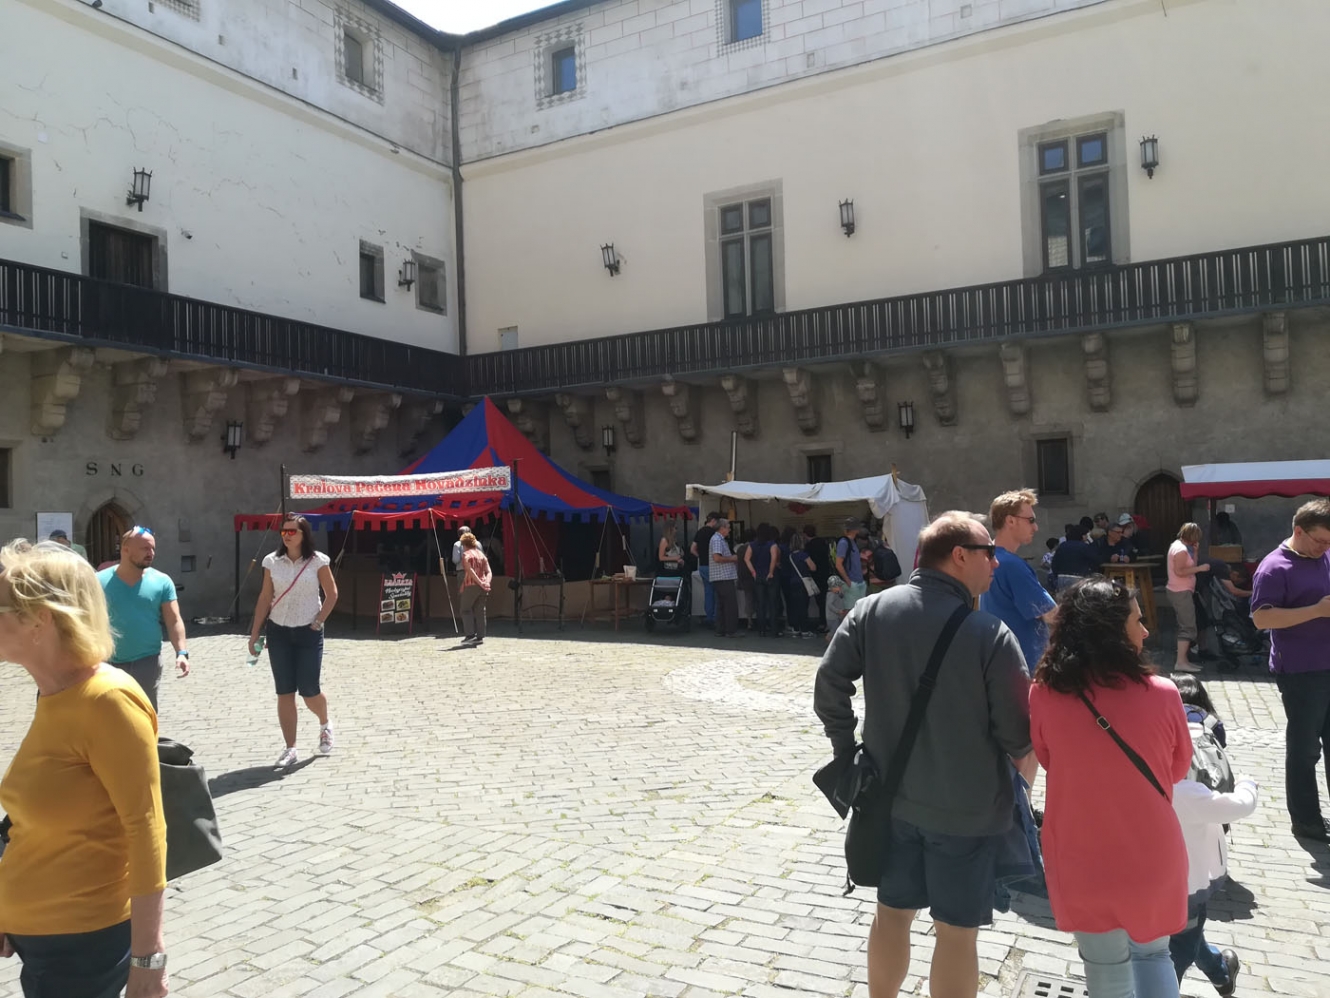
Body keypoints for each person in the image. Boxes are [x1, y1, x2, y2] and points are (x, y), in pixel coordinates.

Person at [815, 512, 1035, 998]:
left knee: (891, 916)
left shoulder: (870, 611)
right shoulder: (990, 634)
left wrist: (847, 753)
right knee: (956, 933)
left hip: (889, 802)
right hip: (966, 814)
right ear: (959, 556)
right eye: (988, 552)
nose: (996, 562)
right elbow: (1018, 736)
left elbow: (829, 684)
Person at [0, 540, 169, 998]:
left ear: (40, 620)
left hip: (81, 946)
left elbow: (147, 831)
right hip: (41, 938)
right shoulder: (55, 692)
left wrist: (148, 960)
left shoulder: (107, 700)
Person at [1029, 576, 1193, 998]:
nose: (1146, 631)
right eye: (1137, 621)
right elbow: (1177, 769)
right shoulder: (1164, 694)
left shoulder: (1043, 694)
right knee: (1154, 955)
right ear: (1111, 631)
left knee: (1104, 966)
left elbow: (1047, 759)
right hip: (1150, 849)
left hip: (1079, 851)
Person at [1167, 675, 1257, 997]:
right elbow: (1239, 804)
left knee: (1180, 945)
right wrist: (1247, 784)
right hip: (1187, 880)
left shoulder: (1180, 790)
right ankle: (1220, 970)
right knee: (1186, 935)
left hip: (1181, 880)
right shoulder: (1190, 789)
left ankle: (1172, 986)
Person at [1249, 498, 1330, 841]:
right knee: (1305, 749)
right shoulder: (1274, 567)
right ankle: (1306, 820)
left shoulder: (1325, 555)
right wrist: (1316, 611)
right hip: (1301, 671)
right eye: (1320, 540)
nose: (1325, 548)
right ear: (1299, 530)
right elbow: (1261, 618)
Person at [248, 515, 337, 767]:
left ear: (303, 534)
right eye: (283, 531)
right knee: (284, 691)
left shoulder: (318, 561)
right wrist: (255, 633)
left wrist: (319, 621)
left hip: (309, 631)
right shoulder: (272, 561)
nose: (286, 535)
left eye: (292, 531)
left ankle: (325, 723)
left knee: (309, 690)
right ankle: (290, 748)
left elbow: (331, 594)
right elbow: (265, 597)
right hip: (279, 632)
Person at [97, 526, 190, 713]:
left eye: (153, 548)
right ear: (125, 550)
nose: (151, 553)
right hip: (107, 662)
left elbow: (174, 620)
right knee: (109, 716)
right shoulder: (98, 581)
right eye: (145, 548)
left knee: (144, 716)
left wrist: (181, 652)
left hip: (147, 662)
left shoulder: (162, 581)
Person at [982, 489, 1057, 673]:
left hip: (1000, 662)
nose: (1035, 527)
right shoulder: (1012, 565)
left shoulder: (987, 559)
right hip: (1025, 666)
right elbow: (1051, 614)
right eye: (1030, 520)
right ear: (1010, 521)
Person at [1167, 523, 1211, 675]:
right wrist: (1200, 569)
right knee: (1187, 627)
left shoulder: (1181, 546)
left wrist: (1196, 552)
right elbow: (1179, 571)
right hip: (1180, 592)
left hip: (1183, 591)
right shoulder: (1180, 550)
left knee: (1188, 625)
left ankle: (1184, 660)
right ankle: (1181, 662)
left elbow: (1191, 565)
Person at [456, 531, 492, 648]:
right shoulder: (482, 555)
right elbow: (489, 571)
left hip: (472, 585)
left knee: (465, 609)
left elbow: (470, 571)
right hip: (483, 586)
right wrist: (486, 582)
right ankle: (480, 636)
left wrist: (480, 583)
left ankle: (470, 635)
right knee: (480, 610)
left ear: (464, 544)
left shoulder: (466, 555)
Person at [745, 524, 780, 637]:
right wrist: (771, 572)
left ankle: (761, 630)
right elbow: (774, 558)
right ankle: (774, 630)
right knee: (773, 604)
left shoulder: (752, 545)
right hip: (771, 577)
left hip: (758, 576)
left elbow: (746, 559)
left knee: (760, 604)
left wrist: (753, 572)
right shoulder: (772, 545)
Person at [708, 517, 742, 638]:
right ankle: (730, 630)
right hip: (723, 576)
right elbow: (717, 558)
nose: (730, 530)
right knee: (729, 604)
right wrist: (732, 558)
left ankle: (721, 629)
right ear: (722, 528)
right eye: (728, 527)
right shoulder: (717, 540)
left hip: (721, 577)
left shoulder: (718, 539)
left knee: (721, 604)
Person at [1050, 523, 1102, 590]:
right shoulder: (1084, 547)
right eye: (1086, 535)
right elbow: (1096, 560)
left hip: (1061, 577)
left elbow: (1054, 563)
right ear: (1082, 536)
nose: (1087, 537)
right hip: (1078, 577)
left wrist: (1057, 575)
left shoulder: (1062, 546)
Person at [783, 530, 814, 638]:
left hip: (793, 582)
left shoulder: (790, 556)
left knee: (795, 606)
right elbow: (813, 567)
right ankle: (805, 630)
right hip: (803, 583)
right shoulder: (804, 555)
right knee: (803, 607)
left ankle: (796, 629)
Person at [691, 512, 719, 627]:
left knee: (708, 592)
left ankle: (709, 617)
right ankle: (716, 617)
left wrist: (700, 556)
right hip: (713, 565)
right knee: (717, 592)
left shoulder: (700, 532)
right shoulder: (714, 534)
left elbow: (692, 549)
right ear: (714, 521)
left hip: (702, 566)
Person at [834, 517, 868, 610]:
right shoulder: (844, 543)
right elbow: (838, 564)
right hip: (852, 583)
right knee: (851, 611)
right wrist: (848, 581)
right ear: (855, 530)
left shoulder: (851, 542)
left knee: (859, 611)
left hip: (858, 582)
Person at [804, 524, 832, 631]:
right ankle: (827, 622)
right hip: (826, 573)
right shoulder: (823, 542)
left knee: (820, 600)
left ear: (805, 534)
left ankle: (822, 622)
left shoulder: (808, 546)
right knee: (826, 599)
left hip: (815, 576)